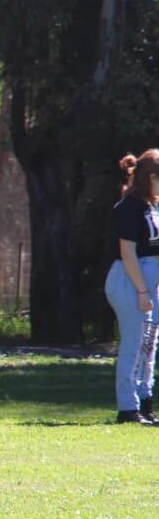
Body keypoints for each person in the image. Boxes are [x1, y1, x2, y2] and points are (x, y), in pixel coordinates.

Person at [105, 150, 159, 424]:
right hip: (130, 280)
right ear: (151, 177)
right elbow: (128, 254)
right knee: (134, 344)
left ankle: (144, 400)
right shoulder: (129, 207)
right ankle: (128, 407)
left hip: (150, 281)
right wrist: (142, 292)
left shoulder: (153, 206)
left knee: (149, 345)